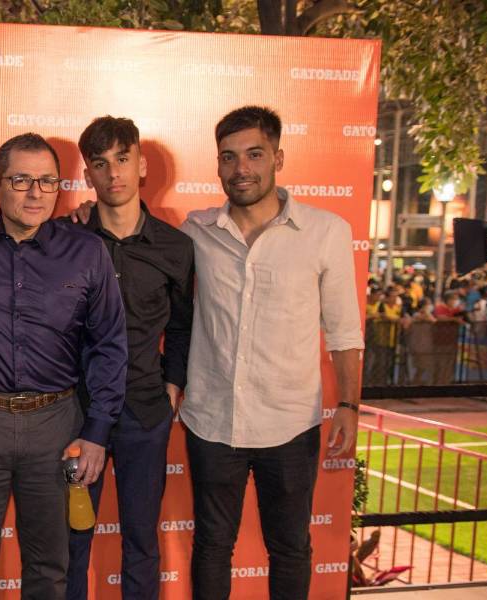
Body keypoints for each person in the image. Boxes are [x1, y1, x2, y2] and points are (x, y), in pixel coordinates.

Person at [0, 117, 193, 600]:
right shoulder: (61, 236)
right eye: (99, 163)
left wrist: (173, 382)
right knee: (69, 540)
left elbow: (181, 324)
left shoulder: (176, 247)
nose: (113, 173)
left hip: (144, 412)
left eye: (122, 159)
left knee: (141, 540)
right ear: (87, 176)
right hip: (71, 413)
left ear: (142, 166)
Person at [178, 106, 363, 600]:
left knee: (290, 548)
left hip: (289, 422)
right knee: (212, 546)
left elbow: (345, 330)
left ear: (278, 157)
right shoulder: (195, 231)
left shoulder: (327, 231)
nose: (242, 169)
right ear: (217, 164)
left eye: (254, 154)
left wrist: (348, 404)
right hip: (212, 421)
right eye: (229, 157)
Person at [0, 132, 128, 600]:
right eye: (20, 179)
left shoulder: (86, 252)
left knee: (50, 568)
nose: (35, 192)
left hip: (57, 427)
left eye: (47, 181)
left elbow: (109, 343)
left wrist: (98, 433)